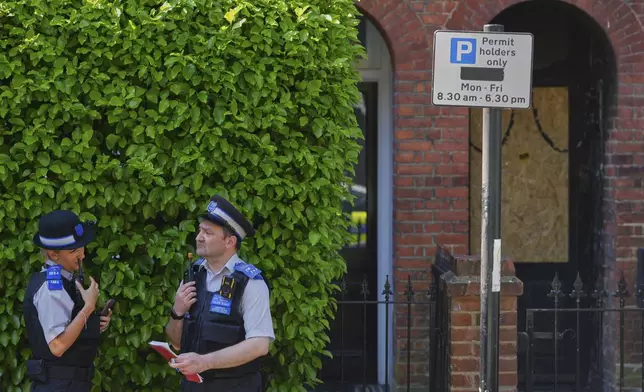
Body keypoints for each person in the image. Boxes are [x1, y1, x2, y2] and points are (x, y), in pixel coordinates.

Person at [165, 195, 274, 391]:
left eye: (207, 232)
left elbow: (260, 345)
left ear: (229, 241)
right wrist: (177, 312)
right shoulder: (193, 276)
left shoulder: (251, 283)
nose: (198, 237)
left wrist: (204, 362)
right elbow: (176, 343)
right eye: (200, 230)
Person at [23, 210, 112, 392]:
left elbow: (69, 326)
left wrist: (94, 324)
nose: (82, 255)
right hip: (59, 385)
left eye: (82, 247)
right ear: (53, 255)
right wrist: (88, 308)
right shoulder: (50, 287)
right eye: (73, 251)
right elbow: (57, 346)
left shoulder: (67, 280)